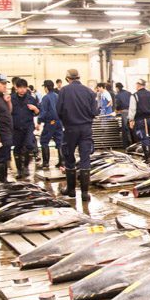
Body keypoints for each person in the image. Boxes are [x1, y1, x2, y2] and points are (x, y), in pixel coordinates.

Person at [57, 68, 99, 201]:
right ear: (79, 77)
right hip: (86, 129)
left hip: (70, 129)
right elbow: (95, 112)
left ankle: (71, 191)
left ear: (67, 78)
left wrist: (66, 121)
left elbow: (58, 111)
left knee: (69, 158)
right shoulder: (89, 92)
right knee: (85, 158)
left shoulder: (63, 91)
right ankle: (85, 193)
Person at [10, 78, 40, 180]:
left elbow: (38, 112)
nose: (22, 90)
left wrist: (35, 109)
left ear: (26, 88)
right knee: (17, 148)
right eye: (20, 88)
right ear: (16, 88)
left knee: (28, 146)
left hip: (28, 126)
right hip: (16, 127)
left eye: (24, 88)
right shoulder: (11, 99)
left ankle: (26, 166)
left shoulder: (31, 98)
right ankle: (19, 169)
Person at [38, 79, 63, 170]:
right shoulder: (57, 96)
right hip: (59, 122)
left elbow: (43, 112)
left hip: (50, 122)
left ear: (46, 88)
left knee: (44, 141)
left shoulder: (46, 97)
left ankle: (45, 163)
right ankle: (62, 162)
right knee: (59, 141)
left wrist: (39, 121)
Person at [129, 79, 150, 164]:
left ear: (138, 85)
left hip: (140, 119)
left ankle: (147, 158)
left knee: (144, 138)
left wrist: (131, 120)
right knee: (149, 137)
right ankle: (147, 156)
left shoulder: (135, 96)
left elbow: (132, 109)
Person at [114, 82, 132, 148]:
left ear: (117, 88)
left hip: (124, 112)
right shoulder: (129, 93)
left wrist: (116, 110)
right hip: (131, 111)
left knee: (125, 128)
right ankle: (134, 142)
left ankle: (127, 145)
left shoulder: (118, 95)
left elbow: (118, 104)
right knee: (131, 127)